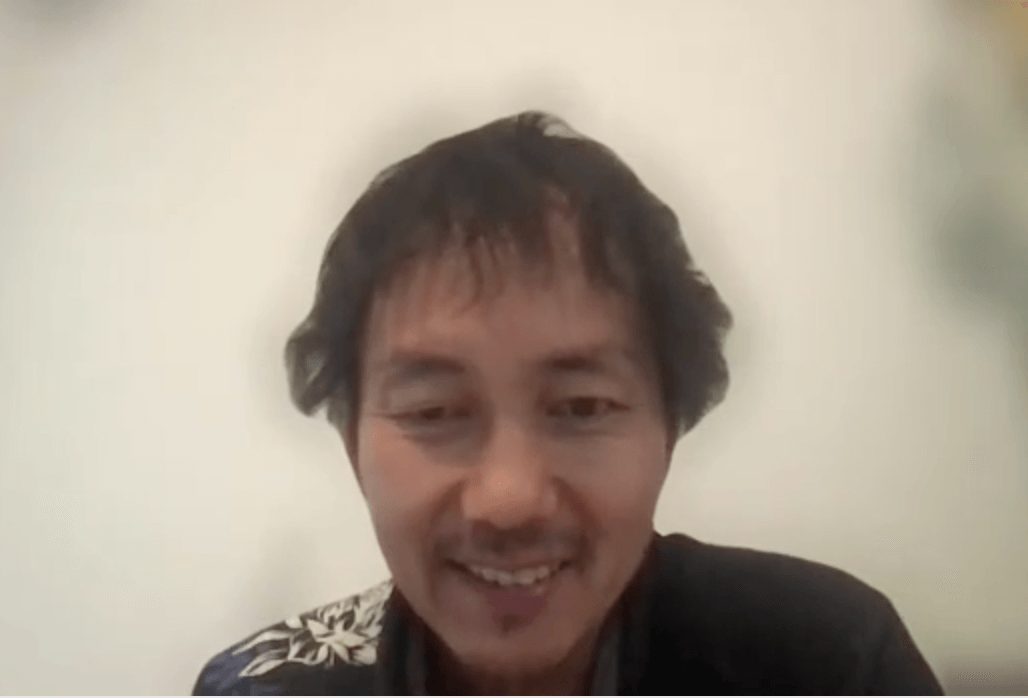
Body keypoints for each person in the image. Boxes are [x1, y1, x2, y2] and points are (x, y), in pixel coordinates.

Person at [192, 112, 943, 695]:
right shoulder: (265, 690)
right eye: (433, 411)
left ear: (669, 428)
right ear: (352, 442)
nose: (508, 499)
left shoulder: (826, 663)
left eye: (581, 407)